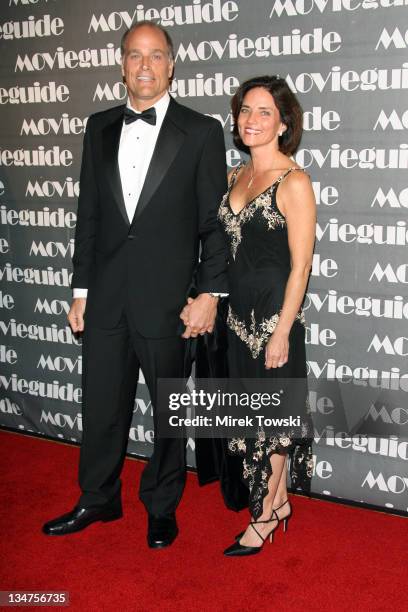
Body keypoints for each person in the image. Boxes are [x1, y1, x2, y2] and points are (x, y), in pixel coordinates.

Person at [42, 21, 228, 549]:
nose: (144, 66)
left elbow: (213, 224)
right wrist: (80, 291)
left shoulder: (201, 131)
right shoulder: (98, 126)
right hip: (104, 298)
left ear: (172, 64)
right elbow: (90, 217)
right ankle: (98, 497)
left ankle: (161, 506)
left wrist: (209, 294)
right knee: (100, 406)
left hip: (170, 303)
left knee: (169, 412)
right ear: (121, 64)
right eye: (134, 55)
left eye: (155, 55)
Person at [217, 76, 316, 556]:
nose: (251, 120)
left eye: (263, 112)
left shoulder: (293, 181)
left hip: (272, 324)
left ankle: (265, 515)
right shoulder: (236, 177)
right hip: (237, 321)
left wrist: (281, 331)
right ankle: (276, 504)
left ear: (283, 123)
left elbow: (301, 266)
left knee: (271, 423)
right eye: (245, 111)